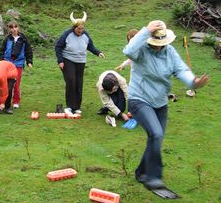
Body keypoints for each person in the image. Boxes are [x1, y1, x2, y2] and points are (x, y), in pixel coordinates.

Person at [124, 20, 210, 191]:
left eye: (162, 43)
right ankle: (153, 177)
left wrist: (193, 82)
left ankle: (141, 172)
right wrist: (146, 30)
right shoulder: (140, 50)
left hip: (160, 102)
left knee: (156, 138)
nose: (159, 47)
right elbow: (128, 50)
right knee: (155, 134)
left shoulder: (170, 52)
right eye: (156, 43)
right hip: (139, 99)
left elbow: (181, 70)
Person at [55, 12, 105, 116]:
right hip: (68, 60)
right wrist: (60, 61)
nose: (81, 31)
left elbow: (90, 46)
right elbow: (58, 46)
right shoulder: (67, 34)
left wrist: (98, 52)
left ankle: (77, 107)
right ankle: (69, 106)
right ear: (74, 27)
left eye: (82, 29)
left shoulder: (85, 34)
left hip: (81, 61)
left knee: (79, 83)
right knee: (71, 81)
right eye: (79, 29)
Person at [0, 21, 33, 108]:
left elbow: (28, 51)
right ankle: (5, 101)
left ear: (18, 27)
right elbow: (2, 50)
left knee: (16, 84)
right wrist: (1, 61)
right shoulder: (7, 38)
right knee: (6, 83)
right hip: (7, 63)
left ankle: (16, 101)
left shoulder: (23, 39)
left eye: (15, 27)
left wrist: (29, 61)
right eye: (11, 28)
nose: (14, 29)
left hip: (18, 63)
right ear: (9, 29)